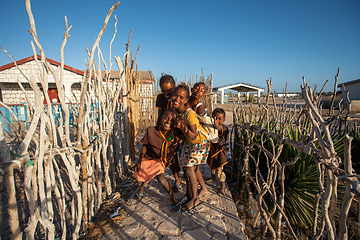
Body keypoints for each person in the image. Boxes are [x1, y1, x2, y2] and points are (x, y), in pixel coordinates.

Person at [133, 110, 182, 213]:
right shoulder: (151, 131)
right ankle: (141, 189)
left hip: (160, 160)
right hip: (148, 157)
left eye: (172, 120)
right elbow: (144, 146)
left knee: (161, 178)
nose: (168, 121)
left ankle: (173, 197)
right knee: (140, 176)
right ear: (161, 119)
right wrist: (139, 161)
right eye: (166, 118)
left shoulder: (175, 136)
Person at [171, 84, 210, 210]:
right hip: (190, 142)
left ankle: (195, 199)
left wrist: (181, 127)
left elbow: (193, 135)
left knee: (189, 168)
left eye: (181, 97)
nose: (177, 99)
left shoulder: (189, 114)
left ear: (186, 100)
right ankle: (190, 194)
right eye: (175, 95)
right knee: (184, 164)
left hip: (199, 143)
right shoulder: (176, 112)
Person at [155, 74, 182, 193]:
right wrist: (157, 131)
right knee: (171, 156)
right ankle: (177, 180)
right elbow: (160, 116)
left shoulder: (179, 98)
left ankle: (189, 181)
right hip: (167, 131)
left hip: (180, 131)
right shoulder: (160, 98)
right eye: (163, 90)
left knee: (185, 158)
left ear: (174, 87)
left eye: (169, 90)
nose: (166, 93)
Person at [207, 108, 229, 195]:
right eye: (214, 117)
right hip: (212, 150)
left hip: (220, 152)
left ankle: (223, 186)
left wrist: (217, 126)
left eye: (219, 119)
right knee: (211, 164)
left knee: (219, 170)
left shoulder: (224, 128)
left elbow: (220, 129)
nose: (216, 120)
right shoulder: (210, 126)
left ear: (223, 120)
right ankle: (212, 177)